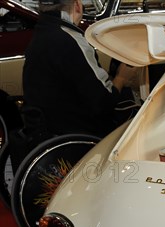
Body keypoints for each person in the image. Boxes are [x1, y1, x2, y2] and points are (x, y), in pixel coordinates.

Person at [22, 0, 139, 139]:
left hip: (45, 132)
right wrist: (121, 78)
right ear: (77, 5)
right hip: (79, 134)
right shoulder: (71, 39)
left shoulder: (40, 35)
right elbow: (104, 101)